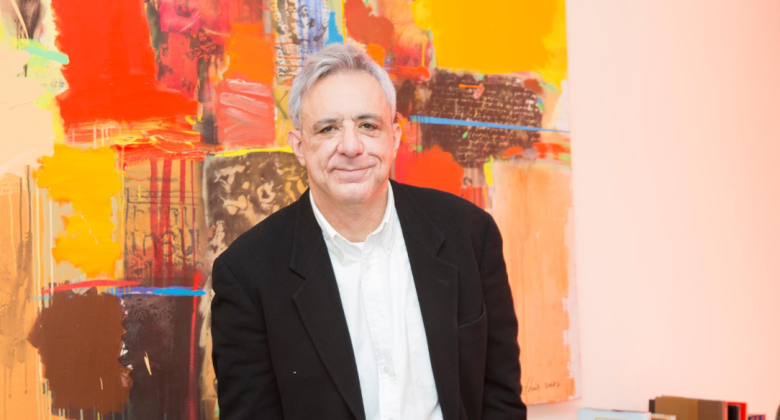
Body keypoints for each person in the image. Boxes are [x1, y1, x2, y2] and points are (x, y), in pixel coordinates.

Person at [210, 42, 526, 420]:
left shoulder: (470, 234)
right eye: (328, 128)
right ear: (299, 146)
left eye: (368, 125)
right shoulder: (247, 274)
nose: (351, 146)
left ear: (394, 138)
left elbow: (500, 397)